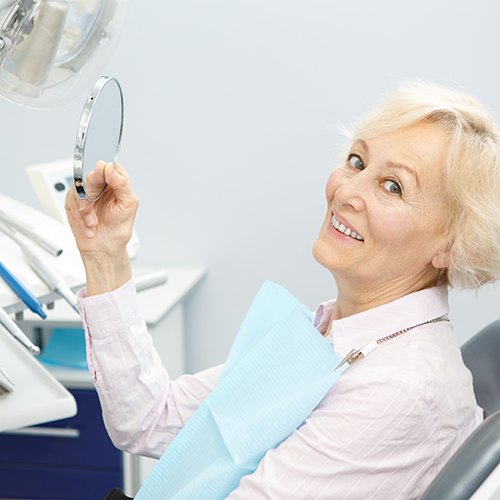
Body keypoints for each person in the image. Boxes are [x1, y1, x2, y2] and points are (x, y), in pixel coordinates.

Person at [65, 81, 500, 499]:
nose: (347, 191)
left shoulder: (400, 392)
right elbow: (148, 419)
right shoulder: (336, 333)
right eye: (357, 161)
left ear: (452, 243)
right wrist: (105, 256)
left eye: (393, 186)